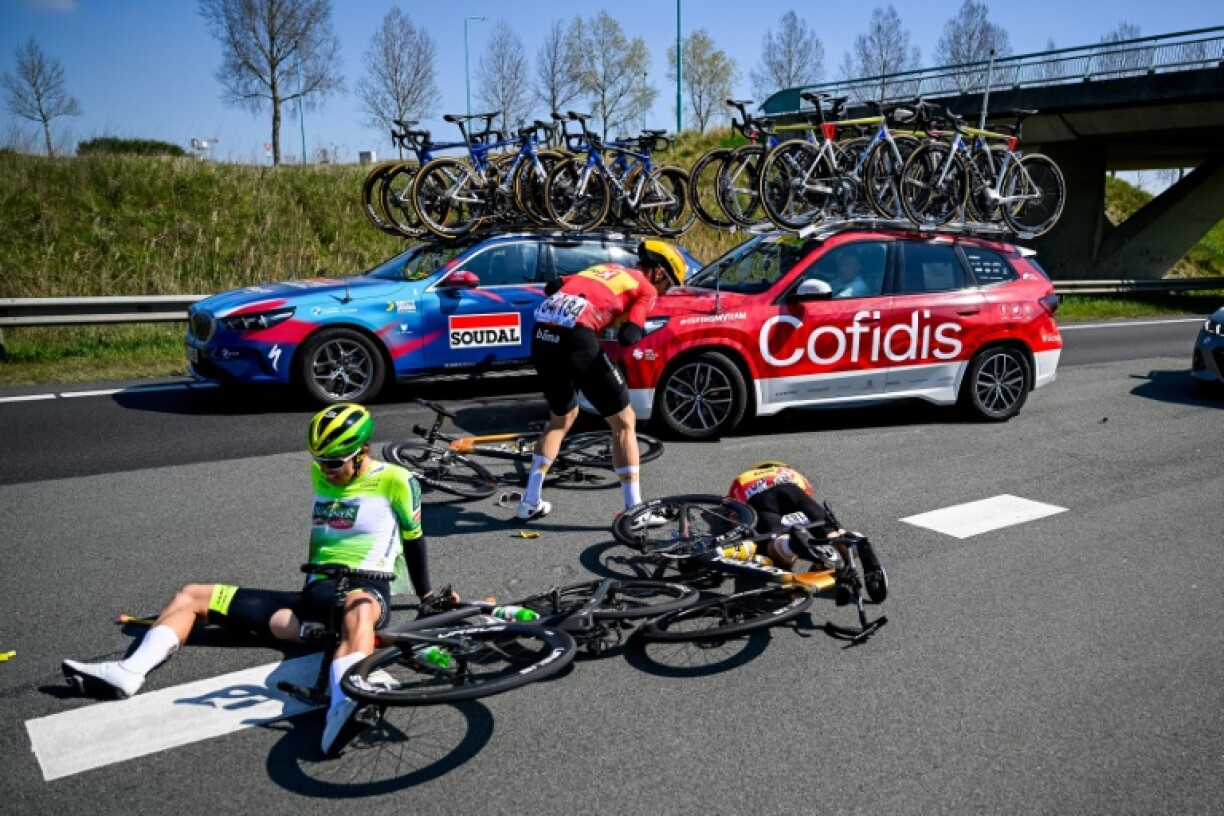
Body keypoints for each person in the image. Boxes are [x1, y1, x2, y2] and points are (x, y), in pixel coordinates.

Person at [62, 403, 451, 757]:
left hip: (365, 591)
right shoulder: (321, 475)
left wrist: (427, 595)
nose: (326, 469)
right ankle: (129, 673)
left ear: (364, 451)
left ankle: (344, 704)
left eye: (335, 461)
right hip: (310, 607)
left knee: (358, 611)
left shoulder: (398, 481)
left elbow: (415, 541)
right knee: (192, 595)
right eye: (320, 461)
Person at [517, 238, 686, 525]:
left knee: (562, 418)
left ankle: (529, 501)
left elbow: (553, 286)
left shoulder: (604, 268)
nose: (664, 292)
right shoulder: (644, 287)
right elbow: (629, 336)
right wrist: (628, 322)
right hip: (576, 338)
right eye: (667, 285)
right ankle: (635, 512)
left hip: (542, 335)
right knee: (624, 421)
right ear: (658, 273)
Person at [724, 461, 887, 604]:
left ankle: (792, 545)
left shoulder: (742, 479)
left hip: (761, 501)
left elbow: (734, 511)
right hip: (793, 492)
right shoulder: (791, 474)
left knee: (778, 546)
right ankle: (859, 544)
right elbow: (808, 493)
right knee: (834, 536)